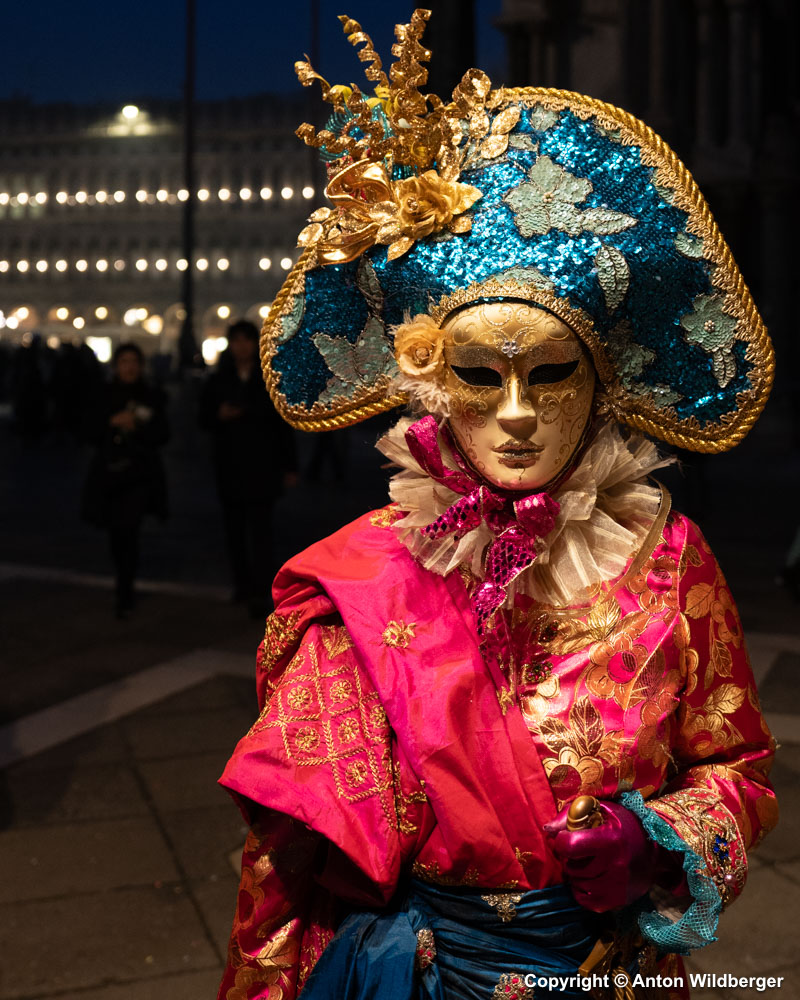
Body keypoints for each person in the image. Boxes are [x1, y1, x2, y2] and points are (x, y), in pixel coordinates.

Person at [215, 11, 778, 1000]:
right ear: (431, 385)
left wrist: (659, 841)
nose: (516, 415)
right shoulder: (360, 578)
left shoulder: (667, 559)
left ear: (597, 381)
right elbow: (285, 869)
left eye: (549, 372)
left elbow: (734, 766)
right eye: (480, 376)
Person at [199, 319, 297, 616]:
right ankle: (242, 585)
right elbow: (203, 418)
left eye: (246, 340)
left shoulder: (269, 379)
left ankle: (261, 589)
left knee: (261, 531)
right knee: (234, 531)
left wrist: (289, 466)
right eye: (236, 341)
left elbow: (283, 426)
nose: (241, 346)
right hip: (230, 463)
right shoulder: (219, 379)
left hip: (261, 464)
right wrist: (219, 415)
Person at [82, 342, 169, 617]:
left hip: (139, 474)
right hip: (110, 472)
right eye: (124, 362)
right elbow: (87, 431)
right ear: (116, 366)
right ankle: (123, 580)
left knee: (129, 529)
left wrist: (137, 427)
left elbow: (163, 434)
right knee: (117, 532)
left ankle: (125, 588)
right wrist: (111, 423)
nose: (129, 367)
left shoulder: (152, 395)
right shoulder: (103, 395)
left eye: (133, 361)